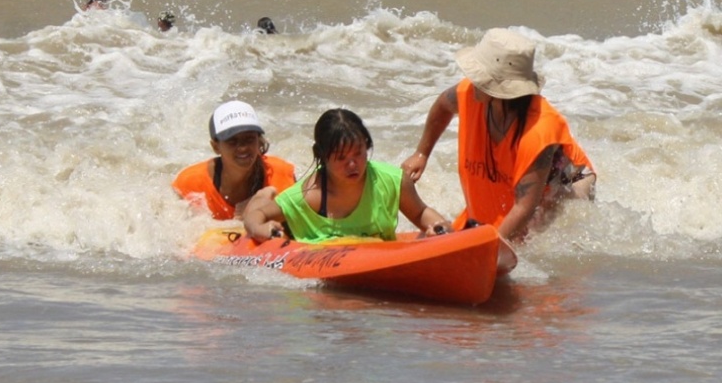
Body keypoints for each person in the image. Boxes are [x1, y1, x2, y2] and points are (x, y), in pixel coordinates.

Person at [401, 28, 596, 242]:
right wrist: (421, 153)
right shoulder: (470, 93)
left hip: (570, 182)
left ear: (498, 89)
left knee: (532, 237)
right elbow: (442, 106)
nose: (470, 78)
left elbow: (524, 206)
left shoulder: (538, 132)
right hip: (526, 183)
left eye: (478, 75)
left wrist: (488, 249)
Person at [244, 108, 450, 243]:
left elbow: (420, 213)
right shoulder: (307, 197)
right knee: (260, 205)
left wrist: (441, 227)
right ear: (322, 157)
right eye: (341, 158)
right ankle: (264, 194)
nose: (353, 164)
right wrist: (260, 230)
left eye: (358, 153)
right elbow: (255, 217)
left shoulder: (393, 182)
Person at [173, 100, 296, 220]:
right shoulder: (190, 184)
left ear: (259, 141)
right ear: (216, 147)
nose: (243, 148)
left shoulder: (283, 176)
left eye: (249, 139)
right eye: (232, 141)